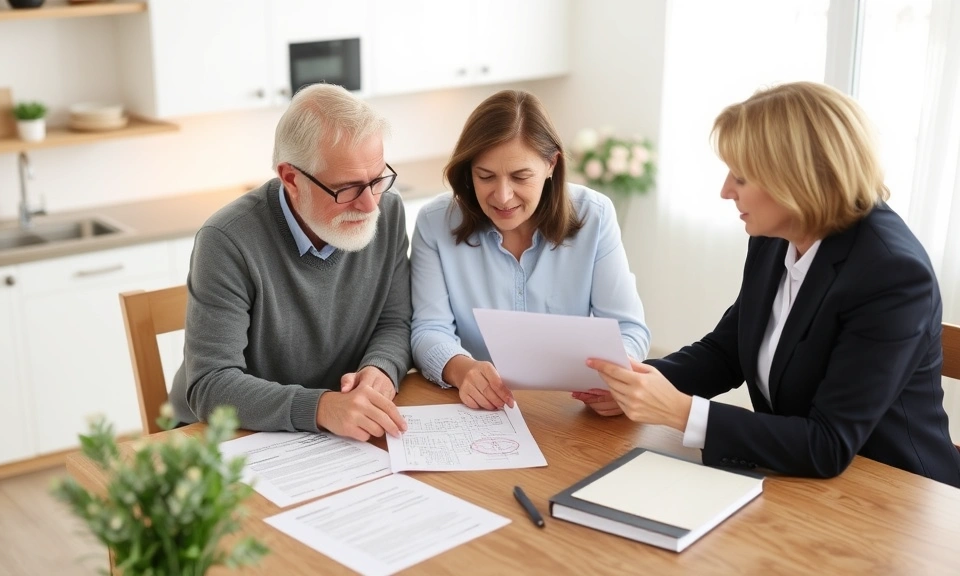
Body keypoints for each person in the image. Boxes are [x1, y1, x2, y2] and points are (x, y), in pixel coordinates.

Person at [586, 81, 960, 486]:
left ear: (796, 179)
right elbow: (726, 352)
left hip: (896, 497)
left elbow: (827, 444)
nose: (725, 190)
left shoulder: (893, 275)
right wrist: (635, 383)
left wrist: (679, 411)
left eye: (742, 178)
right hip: (796, 480)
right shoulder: (775, 236)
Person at [168, 83, 412, 442]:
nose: (370, 205)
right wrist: (321, 407)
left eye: (377, 181)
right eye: (347, 189)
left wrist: (381, 368)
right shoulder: (227, 240)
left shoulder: (388, 213)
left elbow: (395, 321)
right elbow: (211, 383)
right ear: (291, 178)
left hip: (329, 431)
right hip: (226, 434)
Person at [410, 89, 651, 411]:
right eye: (485, 177)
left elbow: (628, 327)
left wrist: (616, 379)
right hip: (479, 409)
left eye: (520, 176)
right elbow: (429, 329)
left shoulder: (594, 215)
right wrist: (462, 370)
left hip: (567, 411)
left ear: (551, 164)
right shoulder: (435, 222)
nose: (503, 196)